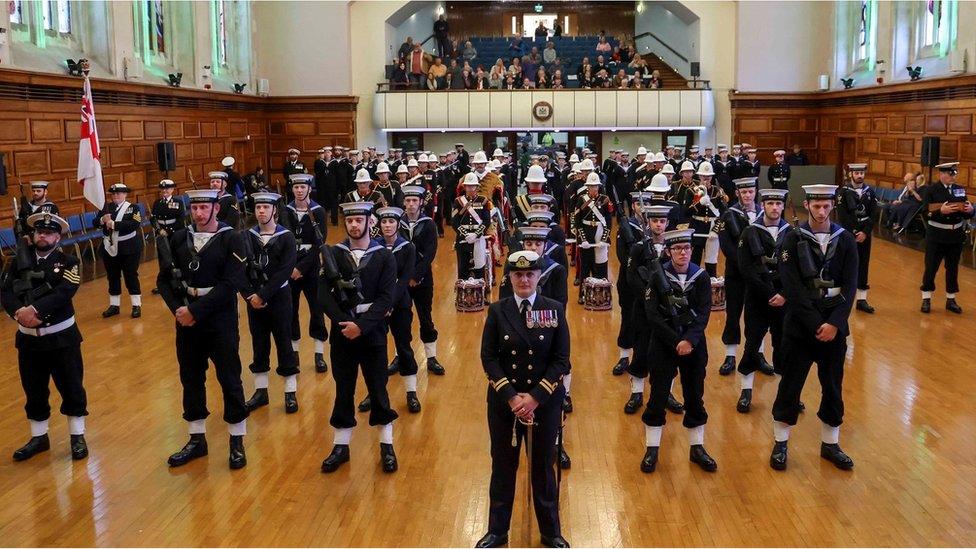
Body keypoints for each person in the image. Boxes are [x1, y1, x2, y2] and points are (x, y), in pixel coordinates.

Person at [475, 250, 570, 549]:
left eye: (530, 274)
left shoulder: (554, 310)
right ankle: (497, 531)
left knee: (543, 467)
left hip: (544, 402)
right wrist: (513, 398)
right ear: (510, 278)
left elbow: (561, 360)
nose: (524, 279)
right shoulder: (497, 311)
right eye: (518, 274)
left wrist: (535, 398)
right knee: (502, 466)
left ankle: (551, 532)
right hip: (506, 403)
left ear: (539, 276)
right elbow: (488, 358)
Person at [158, 189, 249, 470]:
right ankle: (197, 439)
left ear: (215, 209)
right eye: (194, 208)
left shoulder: (231, 238)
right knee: (191, 377)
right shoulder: (179, 238)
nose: (198, 213)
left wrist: (195, 311)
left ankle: (236, 440)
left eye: (203, 208)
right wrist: (179, 310)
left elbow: (231, 284)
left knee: (229, 377)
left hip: (219, 318)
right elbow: (164, 280)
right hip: (186, 319)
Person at [770, 185, 858, 471]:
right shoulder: (792, 238)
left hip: (834, 323)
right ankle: (781, 443)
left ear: (833, 206)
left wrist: (834, 323)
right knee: (790, 385)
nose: (821, 212)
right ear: (807, 205)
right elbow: (792, 287)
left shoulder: (844, 239)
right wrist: (815, 322)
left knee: (833, 386)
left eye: (826, 206)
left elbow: (851, 284)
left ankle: (830, 444)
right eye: (816, 206)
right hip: (801, 324)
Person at [318, 201, 399, 474]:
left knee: (378, 388)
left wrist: (361, 326)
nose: (353, 225)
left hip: (372, 331)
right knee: (344, 388)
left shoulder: (384, 256)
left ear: (369, 222)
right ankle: (341, 446)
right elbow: (323, 296)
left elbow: (387, 297)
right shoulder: (334, 254)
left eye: (358, 220)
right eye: (349, 220)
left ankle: (386, 444)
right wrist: (346, 323)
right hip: (342, 332)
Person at [1, 212, 89, 462]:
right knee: (34, 389)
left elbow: (65, 292)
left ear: (58, 237)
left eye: (49, 232)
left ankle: (77, 436)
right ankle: (39, 437)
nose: (43, 235)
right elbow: (6, 291)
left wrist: (36, 310)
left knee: (71, 386)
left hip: (61, 337)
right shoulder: (17, 262)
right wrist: (19, 312)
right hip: (29, 339)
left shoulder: (69, 262)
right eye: (39, 232)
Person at [638, 229, 716, 474]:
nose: (682, 253)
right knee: (658, 396)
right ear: (669, 251)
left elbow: (704, 312)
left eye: (686, 248)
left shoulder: (701, 276)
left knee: (694, 395)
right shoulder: (657, 276)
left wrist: (689, 341)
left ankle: (697, 447)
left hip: (693, 345)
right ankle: (652, 448)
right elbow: (652, 315)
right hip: (664, 345)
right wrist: (676, 341)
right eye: (677, 249)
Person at [240, 192, 299, 414]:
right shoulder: (247, 236)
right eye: (258, 208)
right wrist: (249, 296)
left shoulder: (286, 236)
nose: (261, 211)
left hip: (278, 297)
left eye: (266, 207)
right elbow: (240, 270)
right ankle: (261, 391)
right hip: (253, 300)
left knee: (284, 342)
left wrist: (263, 295)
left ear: (275, 210)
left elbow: (285, 270)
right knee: (259, 343)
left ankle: (290, 391)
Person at [359, 207, 421, 414]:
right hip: (378, 306)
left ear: (398, 224)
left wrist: (389, 303)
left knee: (403, 346)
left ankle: (411, 392)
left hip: (399, 304)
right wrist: (381, 306)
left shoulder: (407, 247)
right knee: (376, 351)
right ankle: (374, 393)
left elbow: (404, 280)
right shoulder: (373, 247)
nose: (387, 226)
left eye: (391, 222)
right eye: (384, 222)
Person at [735, 188, 792, 413]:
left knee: (783, 347)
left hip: (784, 300)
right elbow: (746, 268)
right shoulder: (751, 232)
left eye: (778, 204)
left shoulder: (791, 233)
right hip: (758, 299)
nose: (775, 208)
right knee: (752, 344)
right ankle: (746, 391)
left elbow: (797, 269)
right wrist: (769, 294)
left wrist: (785, 294)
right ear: (763, 205)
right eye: (770, 204)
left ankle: (786, 394)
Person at [715, 178, 774, 377]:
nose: (747, 195)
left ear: (755, 191)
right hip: (736, 274)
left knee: (758, 317)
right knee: (733, 315)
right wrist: (744, 265)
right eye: (744, 192)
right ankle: (730, 355)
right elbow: (726, 245)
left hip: (759, 276)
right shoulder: (729, 214)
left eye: (750, 191)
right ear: (738, 193)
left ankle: (757, 354)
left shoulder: (762, 213)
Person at [283, 174, 329, 373]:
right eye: (296, 187)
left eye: (303, 187)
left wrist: (300, 268)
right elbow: (284, 241)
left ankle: (319, 353)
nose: (299, 190)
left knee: (316, 310)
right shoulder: (286, 210)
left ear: (309, 188)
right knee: (290, 312)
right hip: (289, 268)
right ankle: (293, 353)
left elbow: (319, 244)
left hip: (310, 269)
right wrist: (290, 267)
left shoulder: (318, 211)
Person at [398, 185, 445, 375]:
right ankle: (400, 355)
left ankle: (431, 357)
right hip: (401, 280)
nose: (410, 204)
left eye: (414, 201)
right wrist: (405, 278)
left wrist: (416, 276)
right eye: (408, 201)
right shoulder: (396, 222)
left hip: (423, 280)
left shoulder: (428, 224)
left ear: (420, 203)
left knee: (426, 318)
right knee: (401, 320)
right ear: (403, 202)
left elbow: (430, 253)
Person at [920, 161, 974, 314]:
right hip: (936, 235)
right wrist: (940, 211)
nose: (953, 177)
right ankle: (926, 298)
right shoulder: (931, 190)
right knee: (931, 268)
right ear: (941, 174)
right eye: (950, 174)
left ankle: (951, 299)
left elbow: (965, 209)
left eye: (954, 173)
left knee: (952, 268)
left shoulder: (959, 190)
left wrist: (970, 211)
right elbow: (925, 213)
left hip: (955, 236)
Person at [94, 182, 144, 319]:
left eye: (119, 193)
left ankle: (136, 305)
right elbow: (94, 222)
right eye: (113, 193)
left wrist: (115, 224)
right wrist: (101, 221)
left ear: (125, 194)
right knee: (112, 276)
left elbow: (135, 224)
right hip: (109, 247)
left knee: (130, 275)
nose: (115, 195)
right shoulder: (106, 207)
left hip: (128, 247)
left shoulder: (133, 208)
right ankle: (114, 305)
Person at [836, 163, 877, 313]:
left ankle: (861, 299)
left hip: (865, 235)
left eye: (862, 173)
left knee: (863, 265)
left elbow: (873, 214)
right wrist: (853, 233)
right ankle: (843, 298)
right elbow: (843, 216)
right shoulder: (843, 192)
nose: (859, 175)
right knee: (846, 265)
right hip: (849, 235)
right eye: (856, 173)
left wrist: (865, 232)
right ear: (850, 174)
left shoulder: (870, 192)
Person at [572, 172, 612, 303]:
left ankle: (600, 296)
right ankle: (583, 295)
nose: (594, 189)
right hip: (586, 235)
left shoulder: (605, 199)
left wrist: (604, 239)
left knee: (600, 267)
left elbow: (608, 221)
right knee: (585, 267)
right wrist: (582, 239)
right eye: (591, 186)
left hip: (600, 234)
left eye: (596, 186)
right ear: (587, 187)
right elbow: (577, 221)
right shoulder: (581, 200)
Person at [453, 172, 493, 280]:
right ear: (464, 186)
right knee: (463, 270)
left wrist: (476, 235)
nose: (470, 188)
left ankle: (480, 294)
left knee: (479, 270)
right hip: (463, 239)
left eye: (472, 185)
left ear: (477, 186)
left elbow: (487, 221)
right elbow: (454, 221)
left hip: (478, 239)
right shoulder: (458, 202)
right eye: (468, 186)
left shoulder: (483, 201)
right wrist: (465, 235)